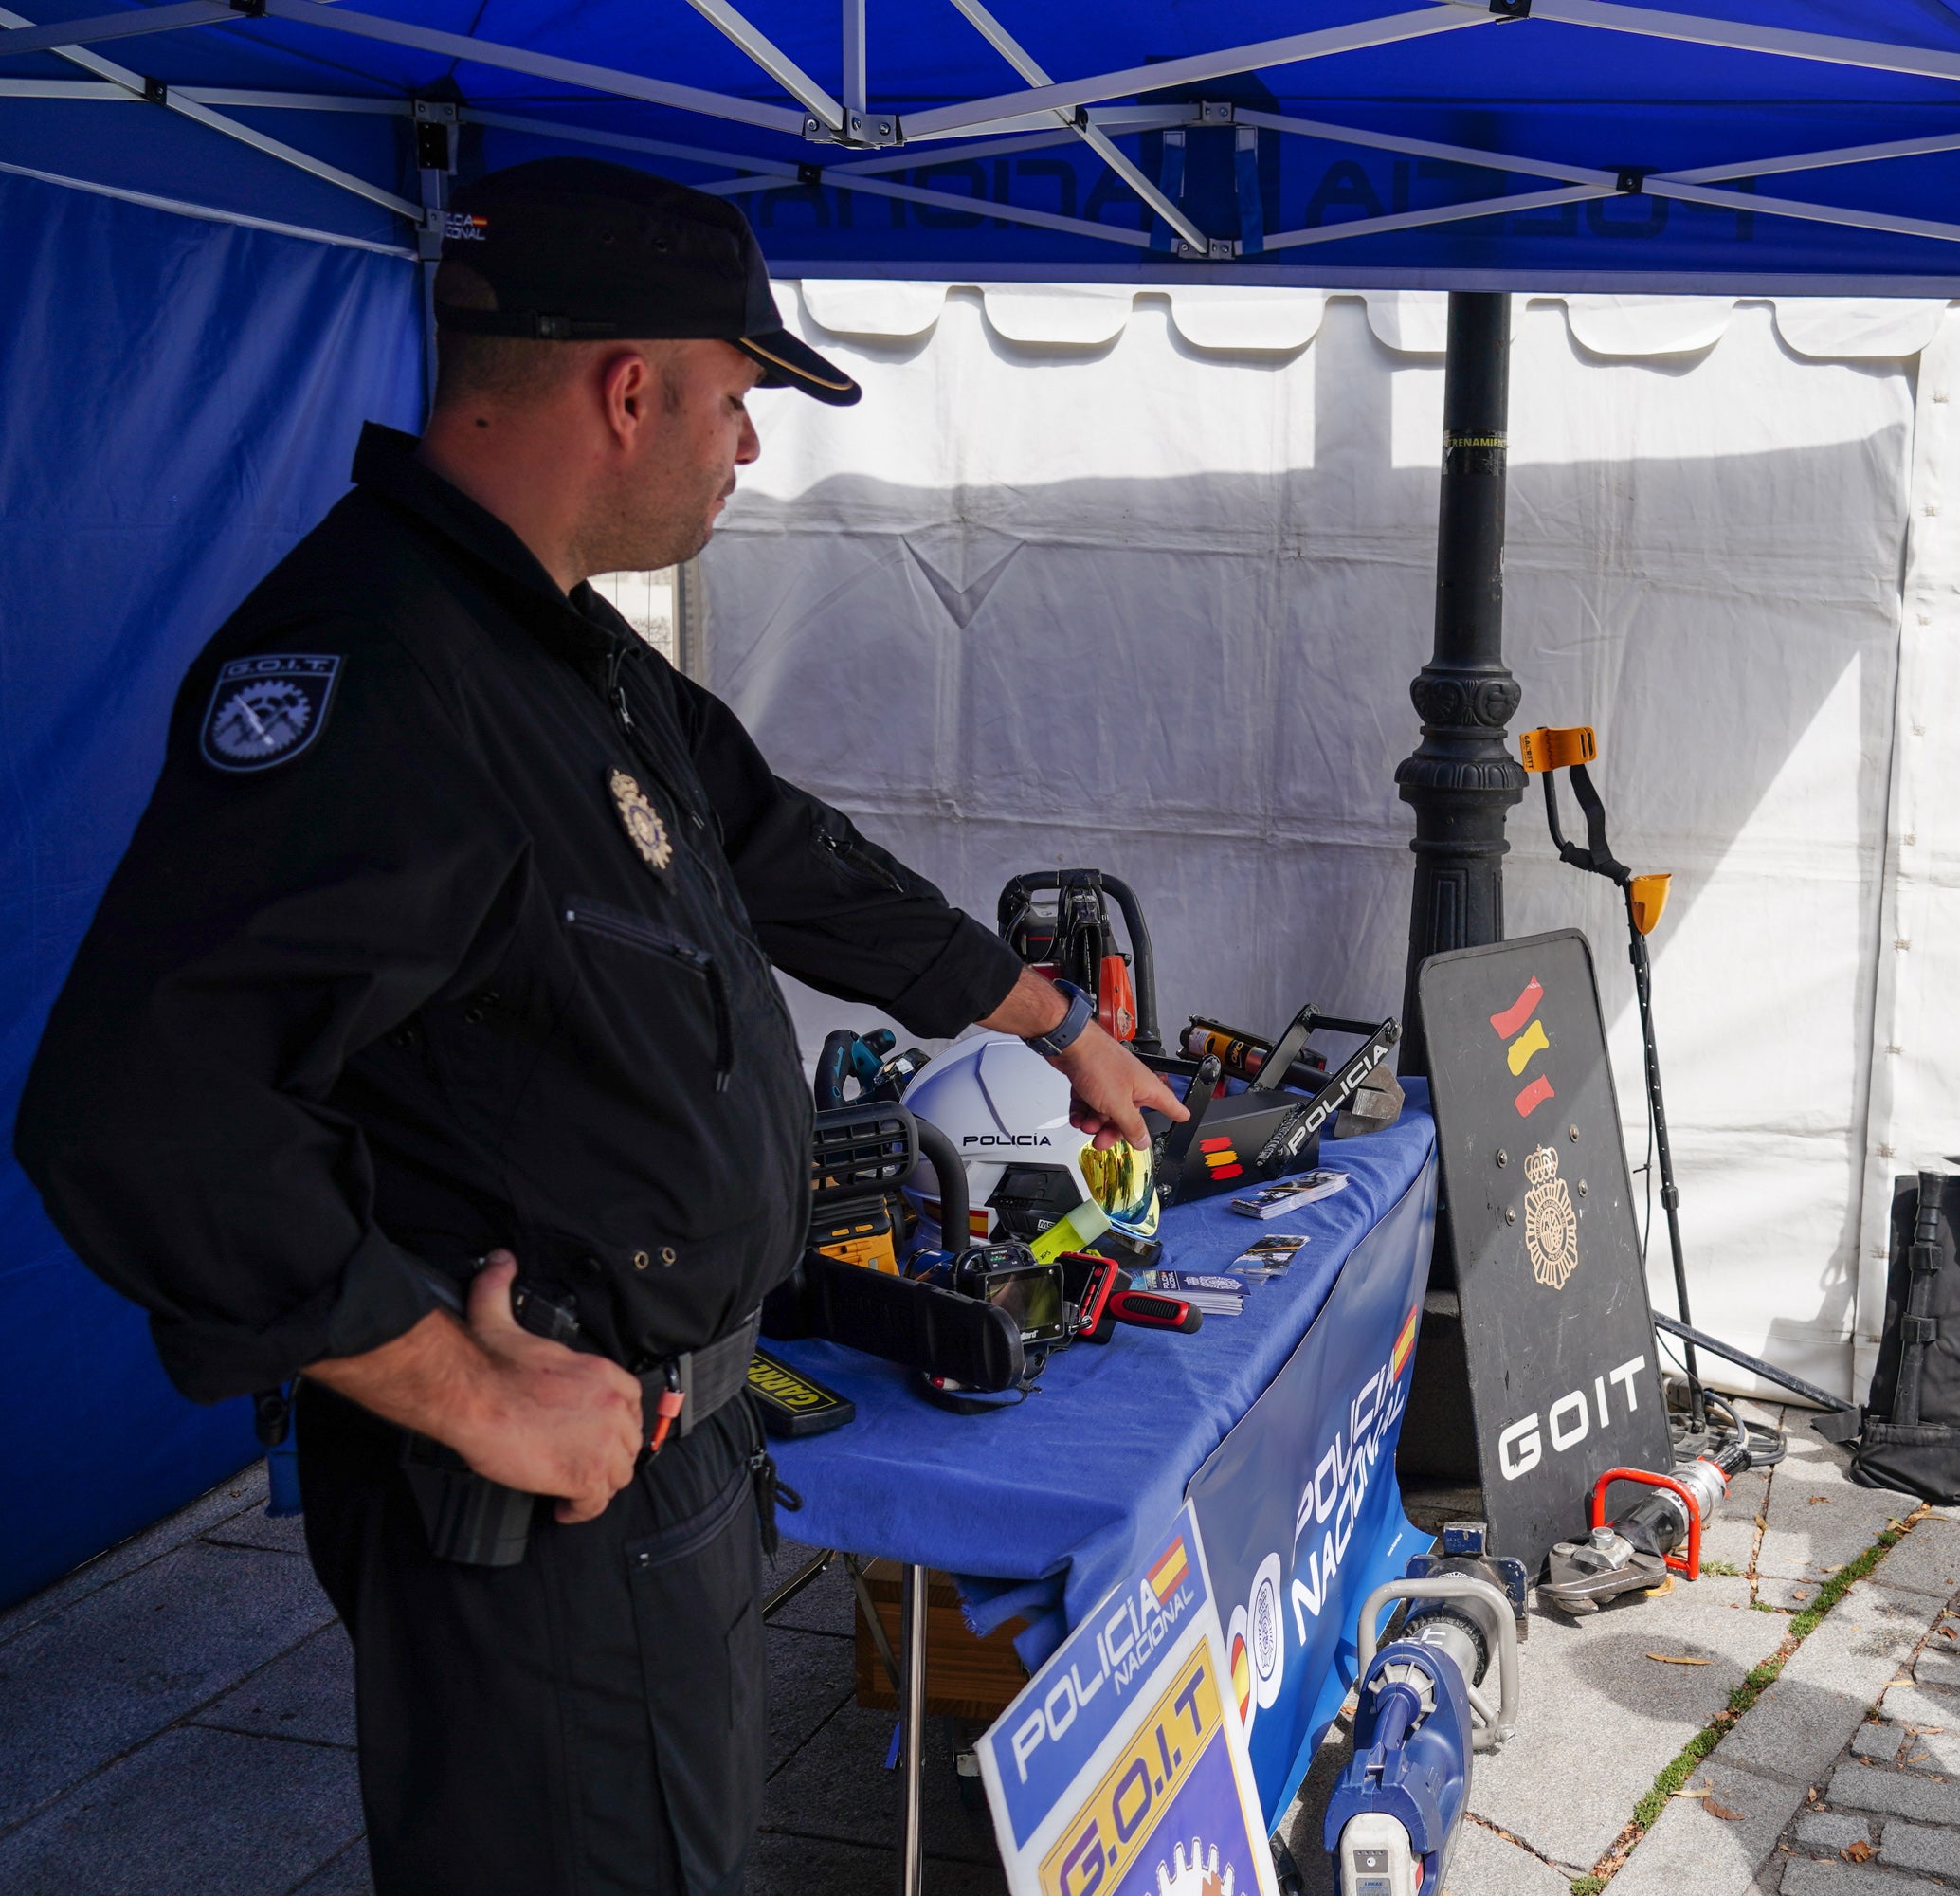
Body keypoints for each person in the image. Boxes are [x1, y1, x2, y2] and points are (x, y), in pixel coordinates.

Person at [12, 158, 1184, 1894]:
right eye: (735, 399)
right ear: (629, 392)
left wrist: (1052, 1017)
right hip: (539, 1498)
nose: (748, 445)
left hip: (666, 1459)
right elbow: (139, 1106)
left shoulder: (560, 650)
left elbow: (789, 855)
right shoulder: (385, 676)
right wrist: (462, 1395)